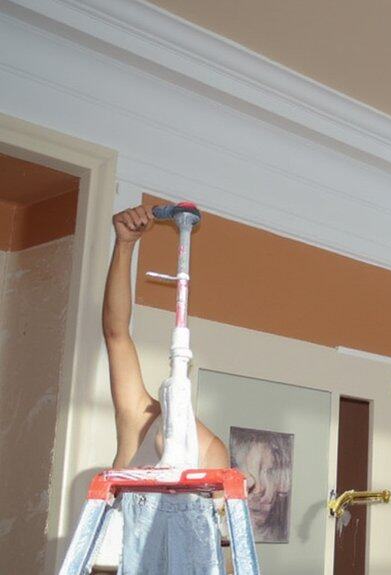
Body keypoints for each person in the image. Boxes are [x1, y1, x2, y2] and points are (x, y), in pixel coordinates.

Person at [95, 205, 229, 574]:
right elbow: (116, 334)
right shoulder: (141, 418)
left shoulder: (212, 452)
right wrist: (125, 245)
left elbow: (209, 548)